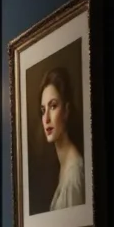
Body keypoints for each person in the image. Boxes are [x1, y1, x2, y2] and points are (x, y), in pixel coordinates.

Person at [39, 67, 85, 211]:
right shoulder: (63, 166)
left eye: (53, 106)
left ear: (66, 110)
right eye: (43, 110)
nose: (46, 119)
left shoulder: (75, 173)